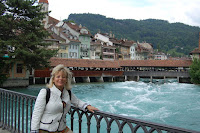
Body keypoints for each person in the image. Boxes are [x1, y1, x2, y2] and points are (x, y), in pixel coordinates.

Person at [31, 64, 99, 133]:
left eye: (63, 77)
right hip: (46, 129)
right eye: (58, 76)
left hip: (61, 128)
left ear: (66, 80)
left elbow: (77, 102)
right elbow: (37, 113)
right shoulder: (45, 92)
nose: (61, 79)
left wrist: (87, 106)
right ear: (53, 79)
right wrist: (34, 130)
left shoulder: (67, 93)